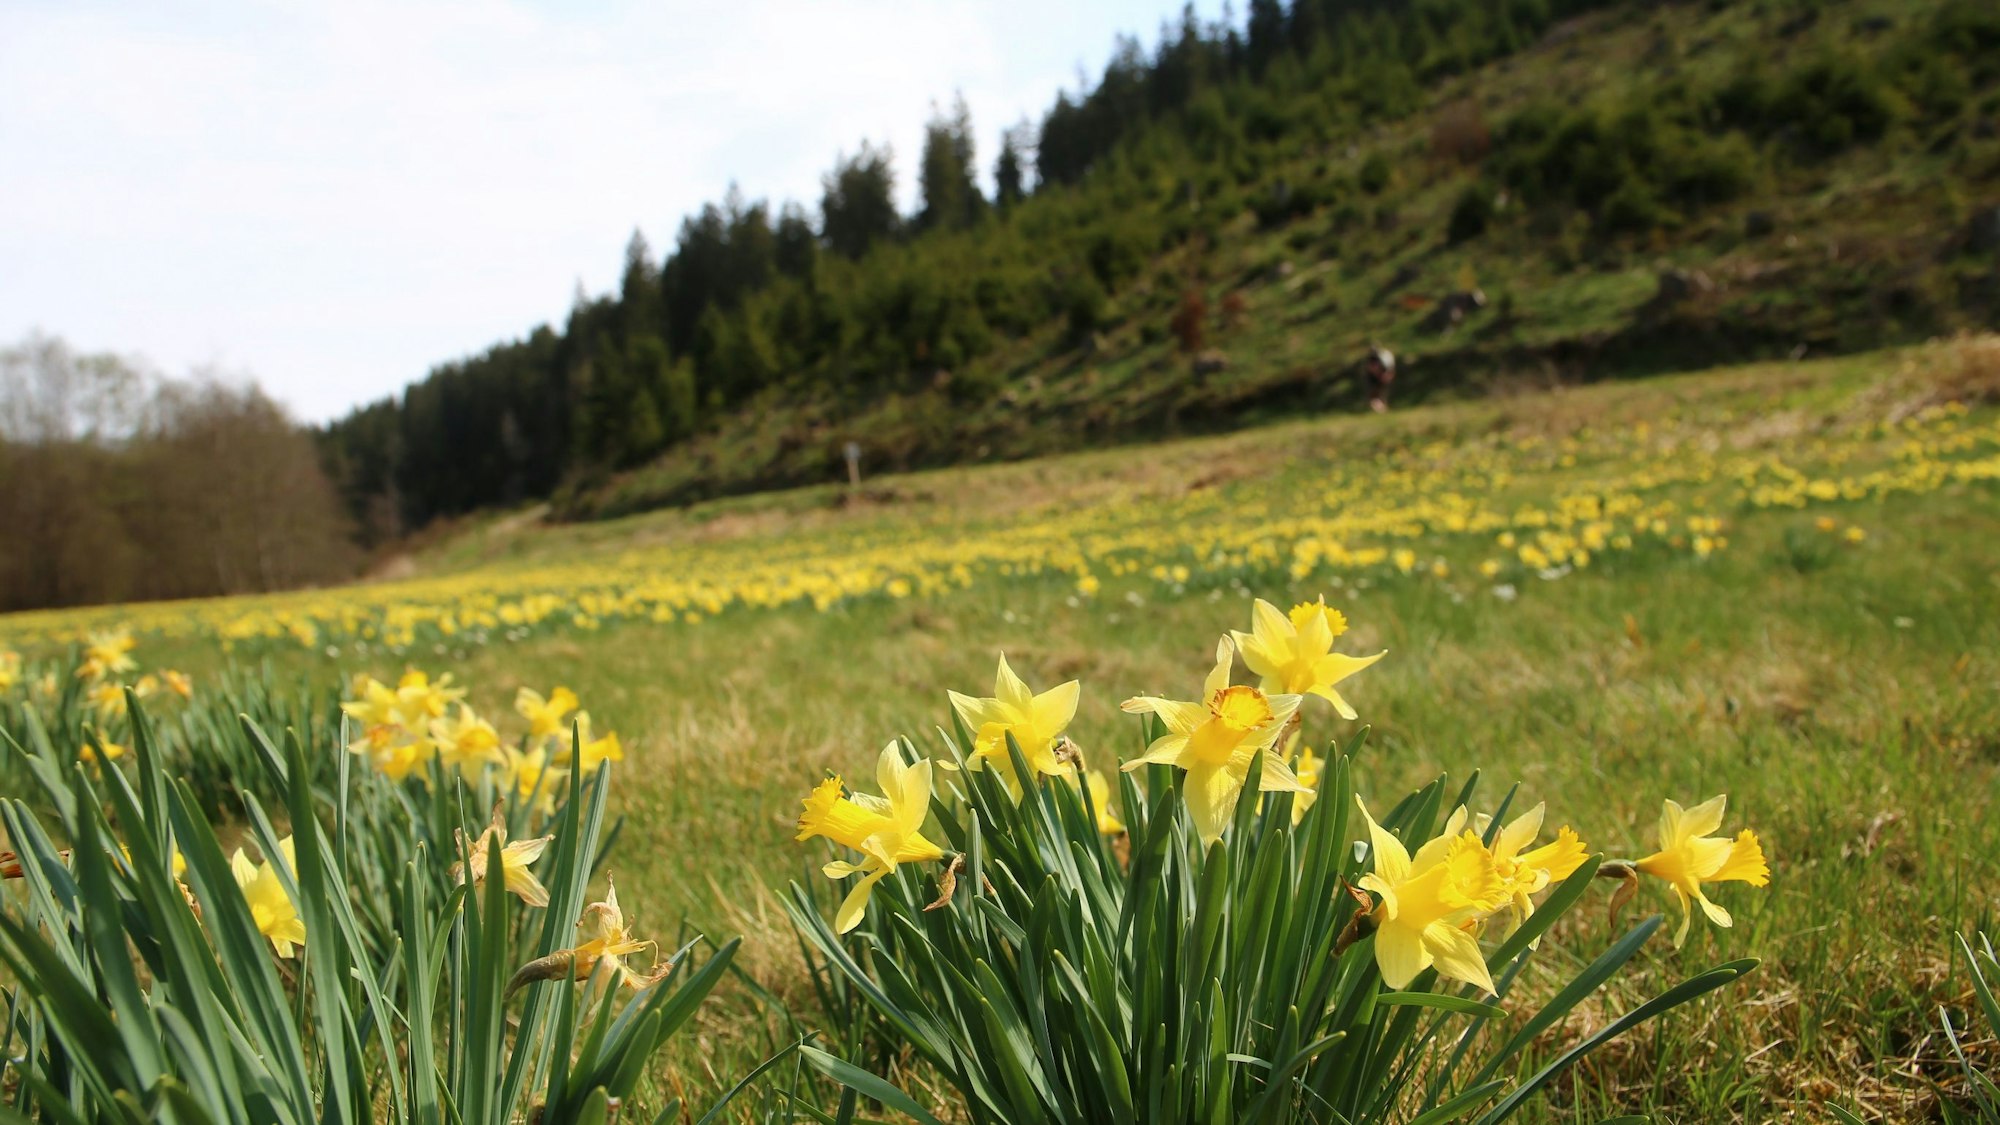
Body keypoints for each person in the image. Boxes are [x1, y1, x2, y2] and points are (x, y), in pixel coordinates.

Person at [1362, 346, 1396, 413]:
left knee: (1377, 395)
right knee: (1378, 394)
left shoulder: (1376, 359)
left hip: (1379, 378)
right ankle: (1382, 409)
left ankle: (1381, 409)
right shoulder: (1381, 357)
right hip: (1379, 377)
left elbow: (1373, 368)